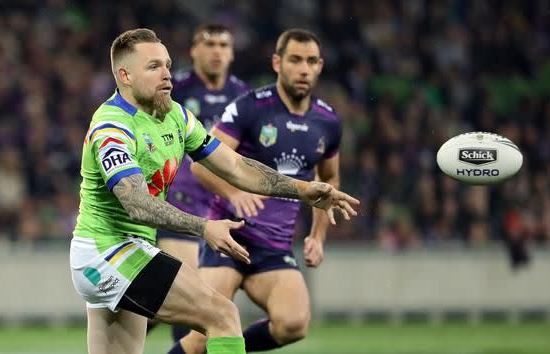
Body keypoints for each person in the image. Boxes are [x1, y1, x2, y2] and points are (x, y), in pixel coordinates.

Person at [70, 28, 359, 354]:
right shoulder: (113, 126)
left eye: (167, 64)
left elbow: (236, 166)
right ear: (124, 75)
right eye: (153, 67)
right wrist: (203, 226)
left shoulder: (175, 115)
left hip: (127, 250)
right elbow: (137, 203)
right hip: (107, 253)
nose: (167, 74)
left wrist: (304, 190)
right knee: (222, 315)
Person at [171, 29, 345, 353]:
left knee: (294, 324)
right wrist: (235, 194)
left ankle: (227, 346)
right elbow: (200, 164)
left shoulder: (329, 121)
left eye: (310, 61)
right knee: (199, 337)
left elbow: (329, 182)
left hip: (274, 247)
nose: (303, 69)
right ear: (278, 63)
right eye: (295, 60)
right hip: (229, 237)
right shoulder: (249, 107)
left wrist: (318, 235)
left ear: (320, 66)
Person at [153, 23, 250, 341]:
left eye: (224, 45)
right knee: (193, 301)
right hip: (180, 204)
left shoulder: (243, 97)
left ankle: (134, 313)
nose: (217, 51)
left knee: (180, 301)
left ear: (232, 53)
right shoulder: (173, 88)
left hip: (221, 210)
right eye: (209, 44)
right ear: (194, 50)